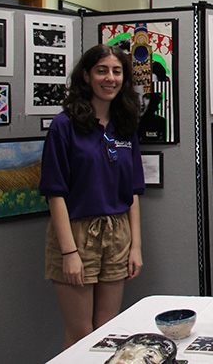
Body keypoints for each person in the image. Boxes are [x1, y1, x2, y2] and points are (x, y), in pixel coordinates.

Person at [39, 44, 145, 349]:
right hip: (76, 233)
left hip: (118, 232)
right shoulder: (65, 125)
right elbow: (55, 194)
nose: (109, 78)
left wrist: (135, 246)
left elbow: (133, 192)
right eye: (101, 70)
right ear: (86, 76)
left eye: (116, 71)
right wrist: (69, 254)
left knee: (107, 333)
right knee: (81, 335)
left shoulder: (125, 126)